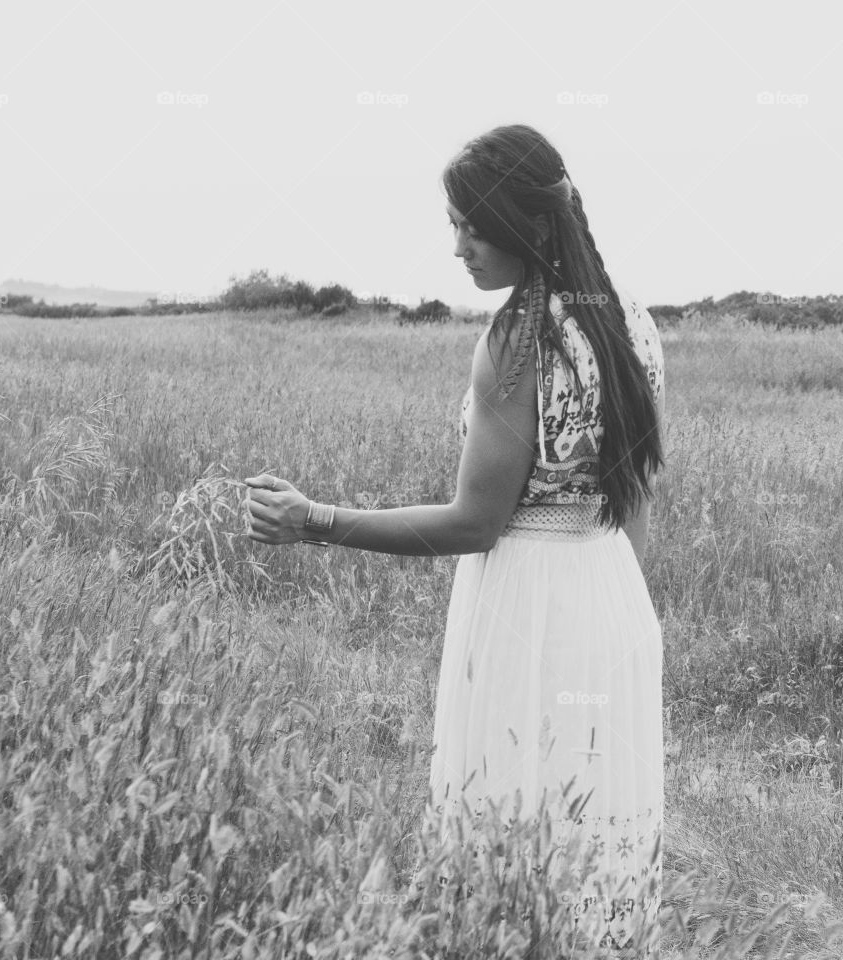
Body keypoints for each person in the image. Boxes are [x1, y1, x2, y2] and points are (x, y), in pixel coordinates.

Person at [242, 123, 665, 957]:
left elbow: (476, 521)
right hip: (612, 600)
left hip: (526, 603)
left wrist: (315, 520)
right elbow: (635, 491)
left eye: (472, 224)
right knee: (590, 822)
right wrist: (630, 620)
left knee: (508, 817)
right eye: (454, 223)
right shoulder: (631, 322)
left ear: (526, 221)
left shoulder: (518, 340)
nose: (459, 246)